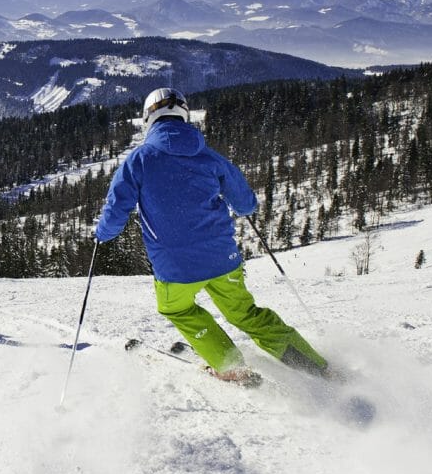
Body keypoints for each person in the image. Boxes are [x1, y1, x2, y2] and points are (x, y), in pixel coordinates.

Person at [94, 87, 328, 383]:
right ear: (184, 116)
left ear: (147, 119)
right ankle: (316, 367)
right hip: (223, 257)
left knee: (177, 308)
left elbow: (116, 211)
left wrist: (102, 235)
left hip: (174, 265)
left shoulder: (138, 160)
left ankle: (229, 364)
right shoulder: (210, 158)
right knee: (246, 314)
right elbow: (245, 204)